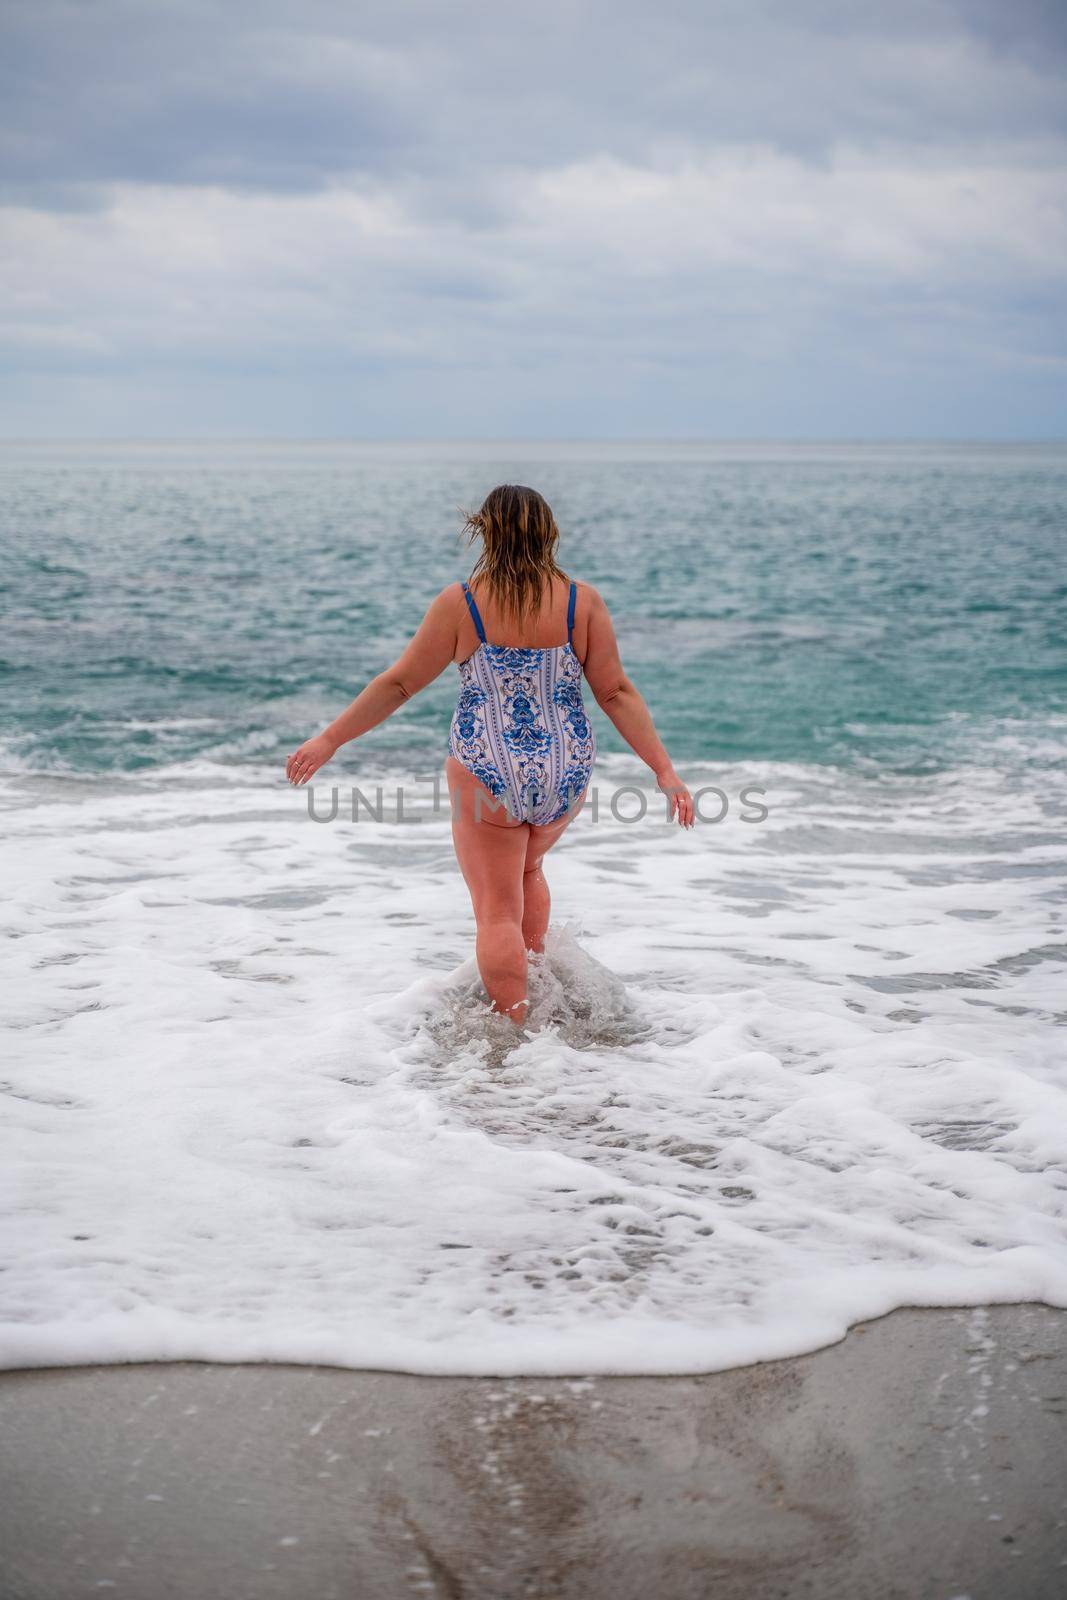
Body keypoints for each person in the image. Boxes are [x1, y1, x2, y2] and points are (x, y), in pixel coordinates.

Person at [286, 484, 693, 1026]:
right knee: (528, 869)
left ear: (484, 532)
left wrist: (330, 738)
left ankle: (515, 1037)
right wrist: (663, 771)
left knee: (495, 910)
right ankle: (540, 989)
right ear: (549, 533)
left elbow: (401, 683)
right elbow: (615, 692)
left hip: (487, 764)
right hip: (564, 767)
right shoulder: (581, 602)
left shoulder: (462, 603)